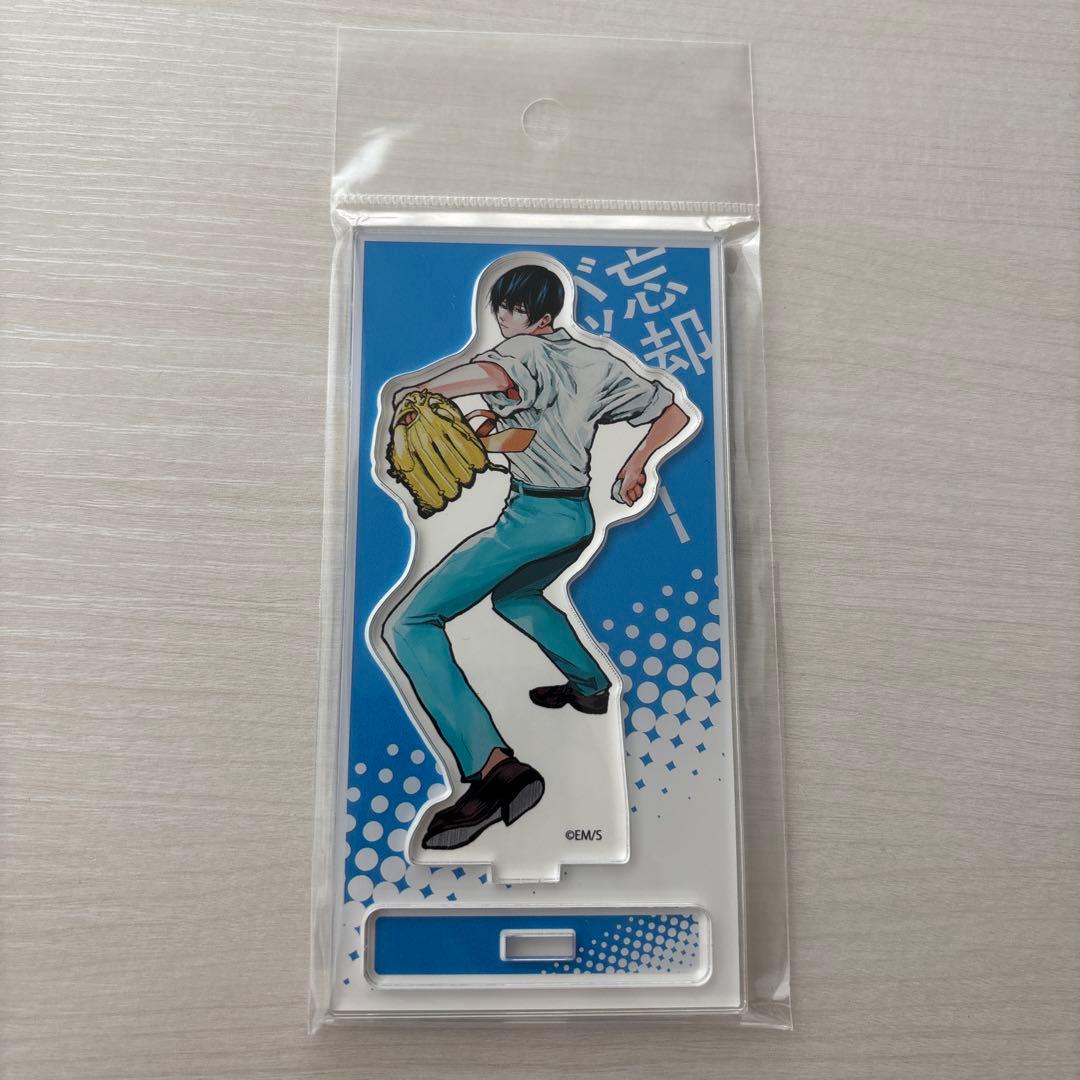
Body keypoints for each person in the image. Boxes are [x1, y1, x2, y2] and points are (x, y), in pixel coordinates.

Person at [384, 263, 694, 851]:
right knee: (517, 598)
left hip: (532, 521)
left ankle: (495, 768)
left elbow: (493, 372)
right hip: (574, 517)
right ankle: (590, 685)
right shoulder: (596, 363)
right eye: (500, 310)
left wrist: (418, 392)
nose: (503, 320)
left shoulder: (522, 350)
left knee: (409, 624)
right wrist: (636, 464)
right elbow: (672, 412)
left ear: (539, 317)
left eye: (512, 311)